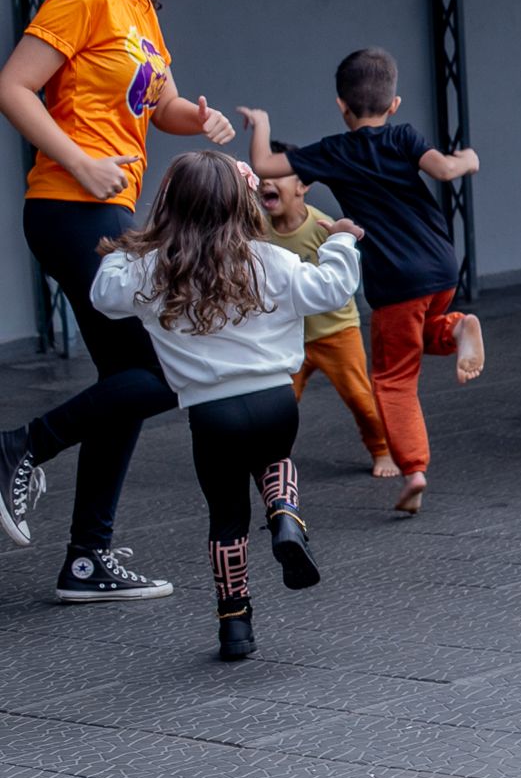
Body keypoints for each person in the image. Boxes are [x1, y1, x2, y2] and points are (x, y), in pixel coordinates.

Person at [0, 0, 234, 601]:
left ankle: (86, 560)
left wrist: (198, 119)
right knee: (163, 370)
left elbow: (160, 105)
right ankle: (18, 449)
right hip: (72, 205)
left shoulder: (139, 10)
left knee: (127, 382)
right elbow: (12, 86)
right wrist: (77, 159)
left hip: (105, 209)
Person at [89, 151, 361, 660]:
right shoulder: (272, 260)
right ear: (242, 202)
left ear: (170, 204)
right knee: (276, 458)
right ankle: (285, 514)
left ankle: (235, 624)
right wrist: (341, 241)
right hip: (277, 401)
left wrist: (130, 247)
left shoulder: (153, 270)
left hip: (212, 415)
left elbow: (104, 295)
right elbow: (332, 289)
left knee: (227, 519)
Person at [238, 48, 483, 515]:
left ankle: (413, 470)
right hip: (441, 266)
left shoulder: (334, 151)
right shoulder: (405, 136)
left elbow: (265, 165)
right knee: (421, 332)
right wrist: (468, 159)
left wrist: (262, 124)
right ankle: (456, 326)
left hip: (397, 280)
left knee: (394, 379)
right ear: (394, 104)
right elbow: (446, 170)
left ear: (341, 105)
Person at [260, 140, 393, 477]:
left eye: (277, 176)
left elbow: (345, 271)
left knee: (360, 398)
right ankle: (274, 459)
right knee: (279, 403)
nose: (266, 182)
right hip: (291, 337)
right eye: (262, 178)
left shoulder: (322, 226)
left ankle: (382, 449)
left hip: (336, 332)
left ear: (302, 186)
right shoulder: (261, 234)